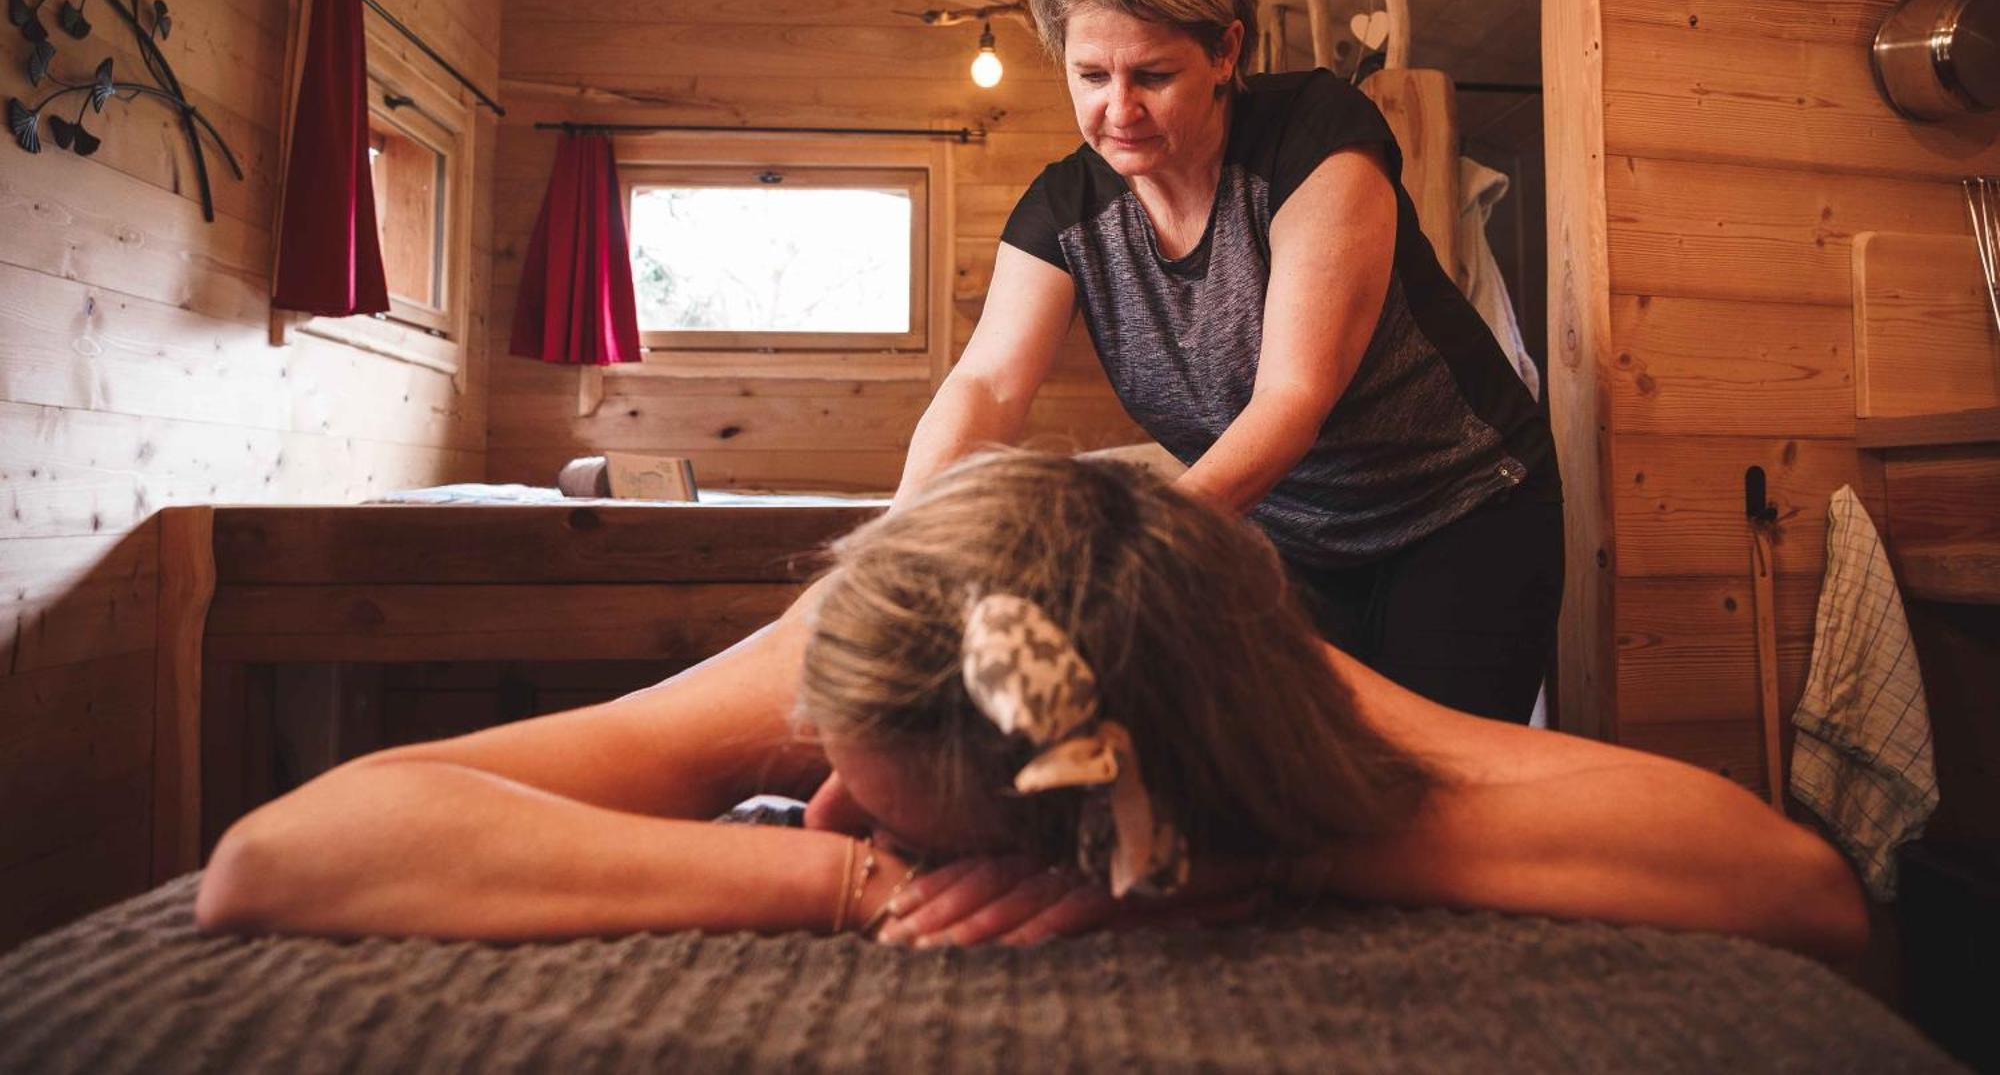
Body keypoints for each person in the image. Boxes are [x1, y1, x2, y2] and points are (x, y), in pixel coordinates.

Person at [195, 450, 1865, 966]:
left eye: (888, 813)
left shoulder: (1267, 686)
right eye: (841, 783)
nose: (839, 805)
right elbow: (271, 859)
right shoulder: (845, 644)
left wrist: (1255, 858)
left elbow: (1796, 884)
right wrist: (839, 877)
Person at [897, 0, 1561, 723]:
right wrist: (897, 544)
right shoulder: (1064, 213)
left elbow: (1291, 399)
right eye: (1091, 76)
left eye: (1154, 75)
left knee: (1429, 787)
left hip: (1462, 511)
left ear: (1225, 51)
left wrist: (1125, 553)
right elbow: (986, 387)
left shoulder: (1314, 136)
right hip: (1296, 542)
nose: (1119, 110)